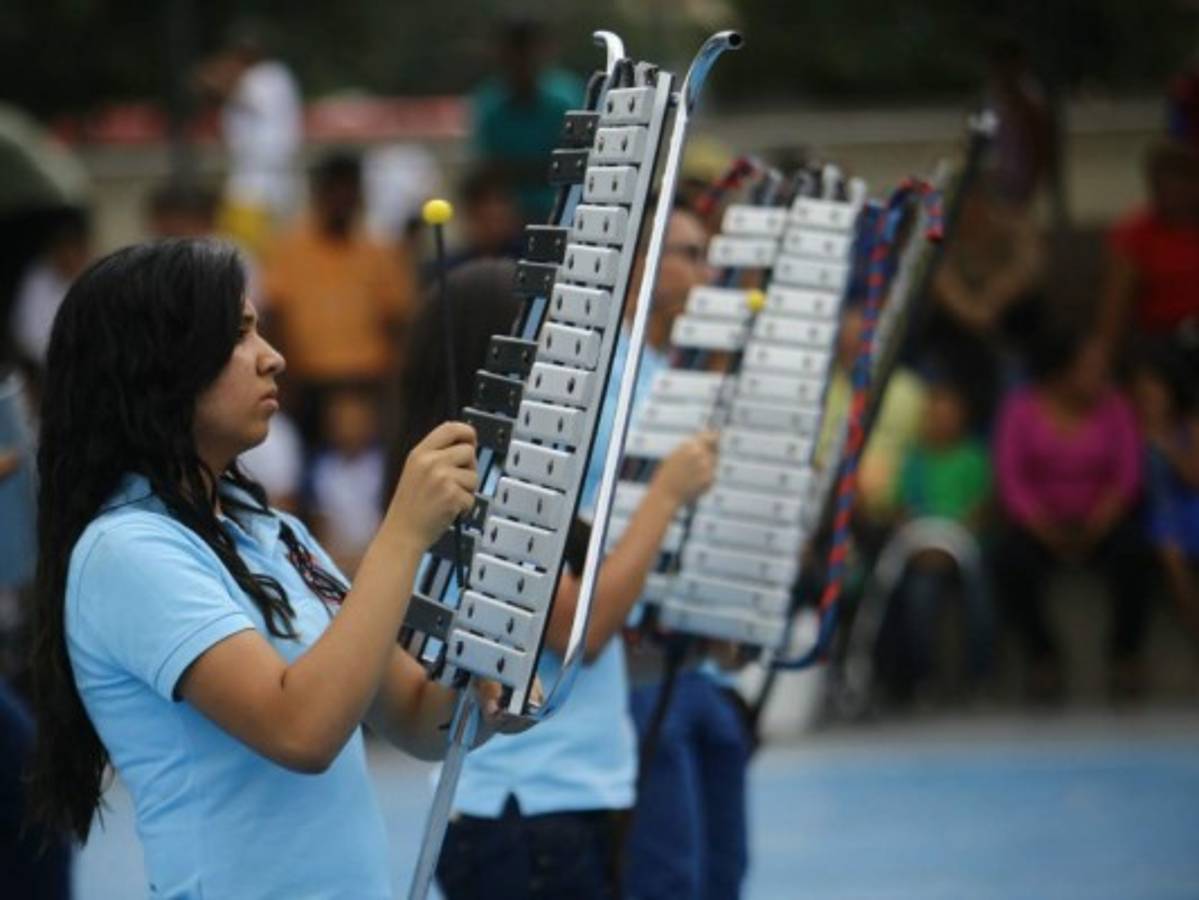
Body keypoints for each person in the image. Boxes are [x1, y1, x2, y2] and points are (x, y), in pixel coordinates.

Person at [26, 239, 514, 898]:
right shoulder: (126, 550)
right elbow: (301, 731)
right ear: (158, 364)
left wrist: (487, 680)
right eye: (239, 335)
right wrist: (402, 532)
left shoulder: (268, 529)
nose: (273, 356)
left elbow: (416, 718)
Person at [386, 248, 716, 900]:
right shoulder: (483, 489)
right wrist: (666, 495)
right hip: (528, 810)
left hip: (551, 803)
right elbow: (581, 632)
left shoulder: (497, 480)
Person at [992, 323, 1146, 702]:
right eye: (1090, 367)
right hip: (1040, 524)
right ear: (1061, 371)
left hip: (1101, 520)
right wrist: (1045, 529)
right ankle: (1043, 656)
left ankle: (1124, 655)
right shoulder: (1021, 409)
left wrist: (1098, 524)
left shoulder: (1116, 407)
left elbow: (1127, 475)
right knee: (1009, 560)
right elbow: (1011, 479)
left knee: (1135, 552)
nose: (1101, 375)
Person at [261, 150, 417, 446]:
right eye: (335, 191)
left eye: (350, 191)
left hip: (367, 385)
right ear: (319, 194)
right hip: (307, 387)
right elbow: (275, 315)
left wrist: (395, 389)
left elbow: (398, 322)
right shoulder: (289, 248)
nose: (342, 200)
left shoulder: (380, 250)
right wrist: (282, 381)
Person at [883, 366, 994, 700]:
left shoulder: (973, 458)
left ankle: (979, 679)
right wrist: (924, 546)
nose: (942, 421)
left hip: (964, 551)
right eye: (936, 414)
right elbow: (903, 511)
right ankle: (922, 681)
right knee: (917, 596)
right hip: (921, 552)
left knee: (981, 600)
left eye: (950, 414)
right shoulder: (914, 461)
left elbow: (981, 512)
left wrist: (950, 546)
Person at [195, 24, 303, 254]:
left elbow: (213, 84)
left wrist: (214, 70)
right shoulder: (269, 77)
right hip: (264, 181)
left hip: (257, 185)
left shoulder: (267, 76)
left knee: (241, 254)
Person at [471, 18, 585, 224]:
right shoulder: (489, 104)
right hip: (509, 220)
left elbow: (580, 165)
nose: (521, 63)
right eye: (514, 55)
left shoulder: (567, 99)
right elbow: (487, 172)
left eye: (527, 54)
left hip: (568, 213)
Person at [1102, 140, 1199, 374]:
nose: (1174, 191)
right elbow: (1113, 311)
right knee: (1153, 386)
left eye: (1183, 181)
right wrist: (1102, 359)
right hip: (1161, 341)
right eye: (1163, 183)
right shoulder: (1134, 234)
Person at [1129, 344, 1199, 646]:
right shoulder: (1128, 425)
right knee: (1169, 549)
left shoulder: (1189, 423)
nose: (1149, 399)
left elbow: (1194, 476)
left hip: (1189, 503)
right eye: (1142, 394)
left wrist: (1165, 444)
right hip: (1154, 511)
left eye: (1155, 391)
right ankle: (1192, 616)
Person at [308, 385, 386, 575]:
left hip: (379, 559)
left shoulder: (383, 466)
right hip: (337, 563)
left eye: (354, 421)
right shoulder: (322, 468)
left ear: (369, 423)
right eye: (341, 421)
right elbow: (321, 530)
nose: (347, 428)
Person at [9, 206, 90, 371]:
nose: (69, 258)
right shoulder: (37, 277)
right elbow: (26, 334)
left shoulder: (96, 275)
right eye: (63, 250)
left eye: (74, 251)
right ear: (54, 252)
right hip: (45, 368)